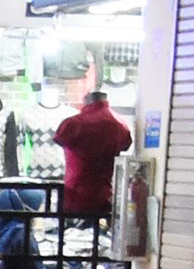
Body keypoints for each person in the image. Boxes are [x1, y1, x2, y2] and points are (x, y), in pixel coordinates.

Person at [49, 87, 132, 220]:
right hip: (104, 195)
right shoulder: (120, 124)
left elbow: (60, 138)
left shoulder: (73, 124)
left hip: (75, 194)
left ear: (87, 101)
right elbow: (126, 145)